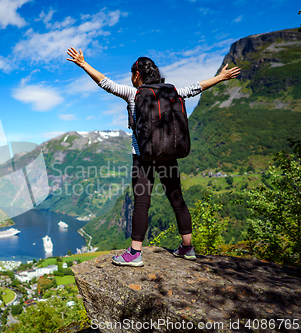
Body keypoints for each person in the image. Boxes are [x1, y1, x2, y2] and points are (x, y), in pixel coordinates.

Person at [66, 47, 241, 267]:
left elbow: (105, 83)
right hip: (169, 155)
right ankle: (187, 248)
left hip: (143, 158)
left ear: (137, 74)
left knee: (141, 204)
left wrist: (83, 64)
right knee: (177, 201)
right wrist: (221, 77)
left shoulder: (134, 94)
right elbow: (197, 87)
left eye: (132, 75)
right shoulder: (174, 91)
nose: (131, 79)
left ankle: (134, 254)